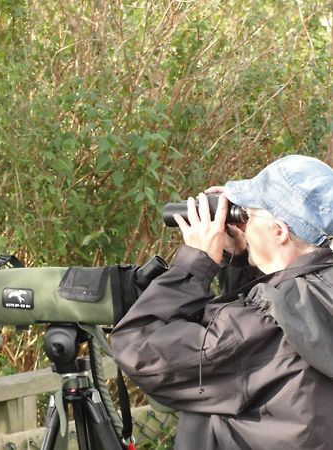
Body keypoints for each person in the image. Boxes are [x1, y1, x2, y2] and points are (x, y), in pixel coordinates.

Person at [111, 154, 333, 450]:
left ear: (278, 231)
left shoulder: (268, 325)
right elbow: (260, 349)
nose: (243, 224)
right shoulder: (314, 299)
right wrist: (242, 260)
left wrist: (196, 262)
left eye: (248, 215)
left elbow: (139, 349)